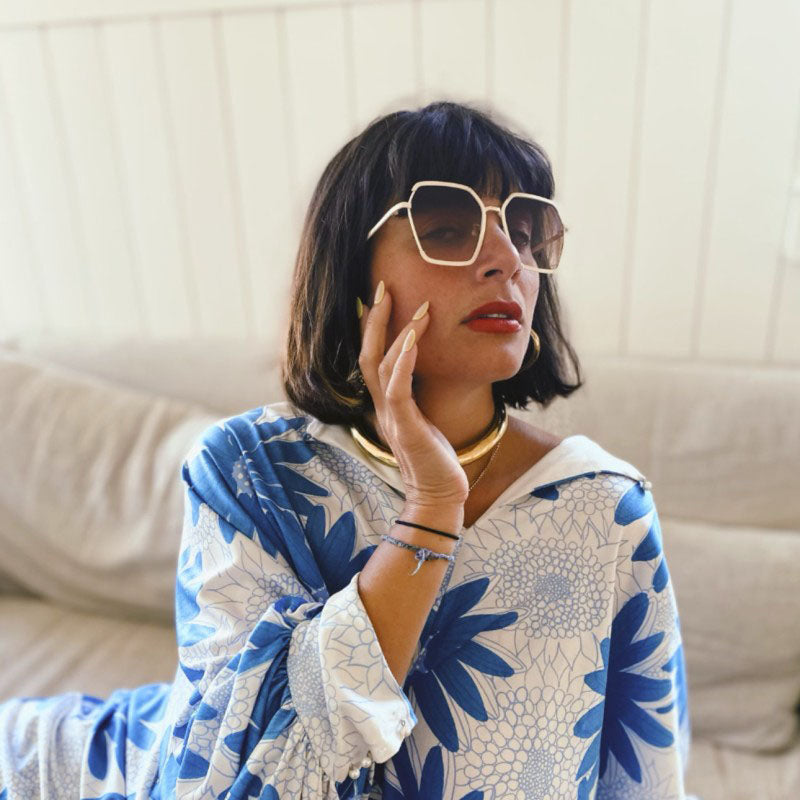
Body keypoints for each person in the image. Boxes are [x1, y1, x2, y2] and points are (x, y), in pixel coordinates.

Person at [0, 100, 693, 799]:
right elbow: (238, 778)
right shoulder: (248, 470)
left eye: (525, 230)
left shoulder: (604, 509)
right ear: (353, 273)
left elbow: (647, 780)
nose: (506, 260)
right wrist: (431, 510)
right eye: (448, 228)